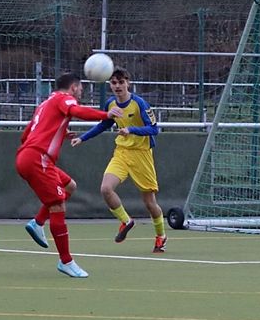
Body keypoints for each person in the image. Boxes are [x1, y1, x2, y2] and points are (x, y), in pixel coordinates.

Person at [16, 72, 123, 278]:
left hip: (29, 157)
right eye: (80, 88)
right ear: (73, 87)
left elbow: (25, 135)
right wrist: (106, 115)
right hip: (38, 159)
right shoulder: (64, 98)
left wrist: (58, 133)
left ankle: (38, 223)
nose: (81, 92)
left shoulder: (45, 104)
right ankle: (66, 261)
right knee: (57, 206)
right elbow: (77, 110)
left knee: (69, 186)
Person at [71, 67, 167, 253]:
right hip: (122, 152)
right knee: (106, 189)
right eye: (114, 83)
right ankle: (126, 221)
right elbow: (103, 125)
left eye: (121, 82)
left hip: (141, 154)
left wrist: (131, 130)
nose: (117, 86)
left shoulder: (139, 103)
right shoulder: (111, 104)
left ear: (128, 83)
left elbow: (154, 129)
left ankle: (161, 235)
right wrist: (82, 138)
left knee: (149, 203)